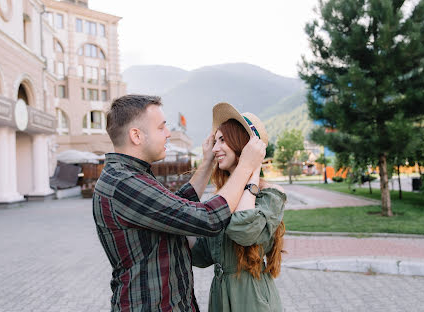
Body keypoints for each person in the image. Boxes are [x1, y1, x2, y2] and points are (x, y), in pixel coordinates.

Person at [92, 95, 266, 311]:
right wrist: (247, 165)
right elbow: (209, 218)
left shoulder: (130, 175)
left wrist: (207, 163)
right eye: (161, 127)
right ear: (136, 135)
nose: (168, 134)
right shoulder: (124, 183)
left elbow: (177, 207)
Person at [189, 102, 286, 312]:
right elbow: (203, 254)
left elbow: (244, 230)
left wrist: (252, 171)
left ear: (243, 143)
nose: (215, 149)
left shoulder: (270, 195)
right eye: (215, 141)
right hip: (220, 297)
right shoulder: (222, 197)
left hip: (251, 298)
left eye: (222, 140)